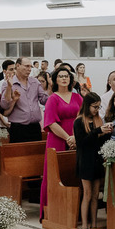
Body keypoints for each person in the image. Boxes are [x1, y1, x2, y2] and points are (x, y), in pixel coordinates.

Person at [40, 66, 82, 218]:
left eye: (67, 76)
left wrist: (76, 136)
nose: (64, 78)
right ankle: (52, 210)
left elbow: (82, 118)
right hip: (58, 139)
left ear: (71, 79)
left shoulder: (77, 97)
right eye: (61, 76)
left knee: (73, 172)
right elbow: (51, 122)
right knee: (55, 174)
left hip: (77, 137)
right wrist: (68, 138)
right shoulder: (53, 98)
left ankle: (72, 211)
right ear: (56, 80)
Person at [73, 93, 112, 229]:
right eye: (95, 107)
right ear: (87, 105)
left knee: (96, 195)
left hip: (96, 160)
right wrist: (98, 131)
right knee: (87, 194)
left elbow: (99, 143)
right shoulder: (79, 122)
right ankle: (84, 226)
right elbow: (82, 143)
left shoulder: (97, 120)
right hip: (85, 161)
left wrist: (107, 133)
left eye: (98, 107)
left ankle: (94, 224)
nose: (97, 110)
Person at [0, 57, 48, 143]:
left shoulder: (35, 82)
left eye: (30, 67)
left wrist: (51, 87)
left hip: (35, 127)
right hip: (18, 128)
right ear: (18, 66)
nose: (29, 69)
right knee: (18, 154)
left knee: (37, 154)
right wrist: (9, 87)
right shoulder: (9, 83)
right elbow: (4, 105)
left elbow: (44, 100)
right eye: (27, 66)